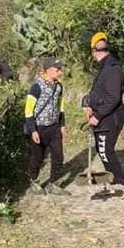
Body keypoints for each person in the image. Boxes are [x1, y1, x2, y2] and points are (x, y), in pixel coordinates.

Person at [84, 31, 124, 195]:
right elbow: (101, 93)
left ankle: (121, 182)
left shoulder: (111, 69)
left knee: (105, 150)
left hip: (111, 117)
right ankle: (114, 178)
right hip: (105, 115)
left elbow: (113, 97)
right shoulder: (105, 67)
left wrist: (97, 115)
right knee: (102, 148)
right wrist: (90, 105)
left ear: (93, 51)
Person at [25, 55, 70, 195]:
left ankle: (53, 183)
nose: (60, 72)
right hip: (39, 127)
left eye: (60, 69)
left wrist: (62, 124)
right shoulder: (36, 87)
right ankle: (34, 181)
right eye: (57, 70)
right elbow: (28, 110)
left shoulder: (58, 87)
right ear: (49, 70)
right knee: (38, 157)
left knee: (58, 156)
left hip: (54, 126)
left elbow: (60, 106)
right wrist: (33, 130)